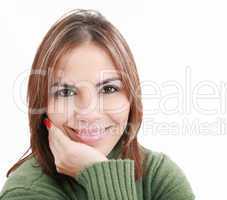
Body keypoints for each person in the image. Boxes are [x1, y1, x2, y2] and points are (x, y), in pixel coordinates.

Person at [0, 9, 195, 200]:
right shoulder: (26, 192)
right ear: (43, 107)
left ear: (132, 97)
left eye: (108, 89)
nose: (89, 113)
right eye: (65, 92)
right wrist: (100, 173)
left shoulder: (158, 176)